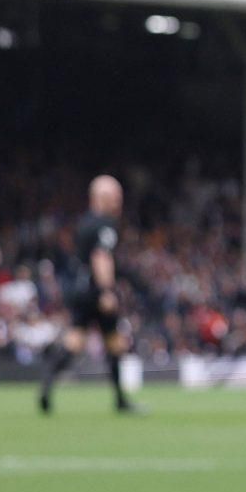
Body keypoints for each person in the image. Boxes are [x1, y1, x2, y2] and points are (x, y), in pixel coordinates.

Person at [36, 174, 143, 416]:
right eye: (115, 196)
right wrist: (106, 291)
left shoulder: (85, 222)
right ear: (102, 197)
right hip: (96, 291)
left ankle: (47, 384)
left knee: (77, 341)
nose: (119, 201)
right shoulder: (105, 224)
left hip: (80, 289)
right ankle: (120, 401)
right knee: (115, 343)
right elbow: (101, 257)